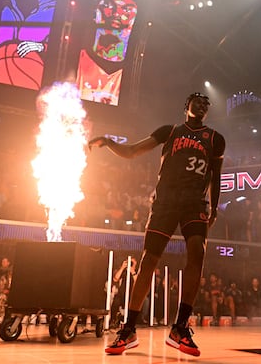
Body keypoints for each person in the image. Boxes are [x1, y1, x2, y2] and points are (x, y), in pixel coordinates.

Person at [89, 92, 225, 356]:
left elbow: (216, 176)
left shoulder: (215, 139)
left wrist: (215, 206)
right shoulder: (170, 131)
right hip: (165, 202)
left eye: (206, 104)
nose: (202, 106)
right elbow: (132, 151)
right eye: (197, 102)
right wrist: (108, 141)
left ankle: (180, 327)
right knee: (148, 261)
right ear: (186, 106)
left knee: (198, 253)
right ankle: (128, 329)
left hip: (195, 203)